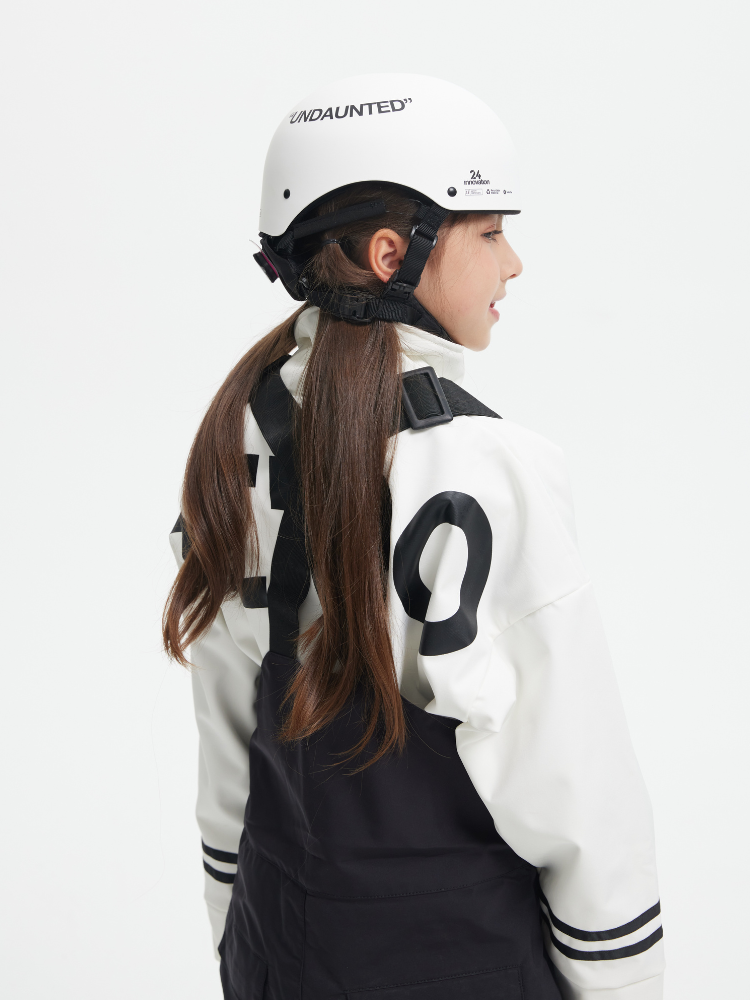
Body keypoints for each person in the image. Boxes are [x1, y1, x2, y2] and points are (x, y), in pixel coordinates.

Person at [164, 73, 665, 1000]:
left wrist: (237, 938)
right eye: (491, 232)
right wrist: (624, 981)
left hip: (276, 949)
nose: (514, 263)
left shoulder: (233, 438)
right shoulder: (487, 466)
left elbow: (226, 740)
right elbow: (574, 788)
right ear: (394, 253)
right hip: (457, 963)